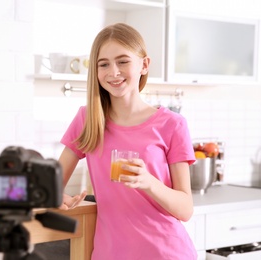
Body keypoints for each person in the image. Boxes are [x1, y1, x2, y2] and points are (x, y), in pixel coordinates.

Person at [58, 23, 197, 259]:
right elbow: (52, 182)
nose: (113, 72)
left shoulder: (172, 124)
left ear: (144, 65)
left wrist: (149, 182)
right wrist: (56, 196)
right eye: (104, 64)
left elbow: (185, 209)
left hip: (165, 252)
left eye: (123, 61)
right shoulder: (88, 119)